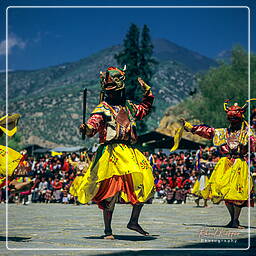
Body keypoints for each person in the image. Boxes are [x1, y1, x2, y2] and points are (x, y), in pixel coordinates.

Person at [70, 66, 155, 239]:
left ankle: (134, 221)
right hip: (110, 153)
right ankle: (108, 230)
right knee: (111, 191)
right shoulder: (102, 108)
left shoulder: (130, 107)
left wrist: (148, 93)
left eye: (115, 89)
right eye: (109, 90)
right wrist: (86, 128)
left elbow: (144, 110)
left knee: (145, 182)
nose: (112, 93)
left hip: (130, 152)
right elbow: (92, 126)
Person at [182, 100, 255, 228]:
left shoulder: (247, 132)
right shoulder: (223, 132)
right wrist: (191, 128)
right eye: (231, 118)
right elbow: (208, 132)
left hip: (239, 164)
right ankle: (233, 220)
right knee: (225, 193)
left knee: (236, 193)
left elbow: (253, 144)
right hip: (225, 164)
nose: (232, 120)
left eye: (235, 117)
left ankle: (235, 220)